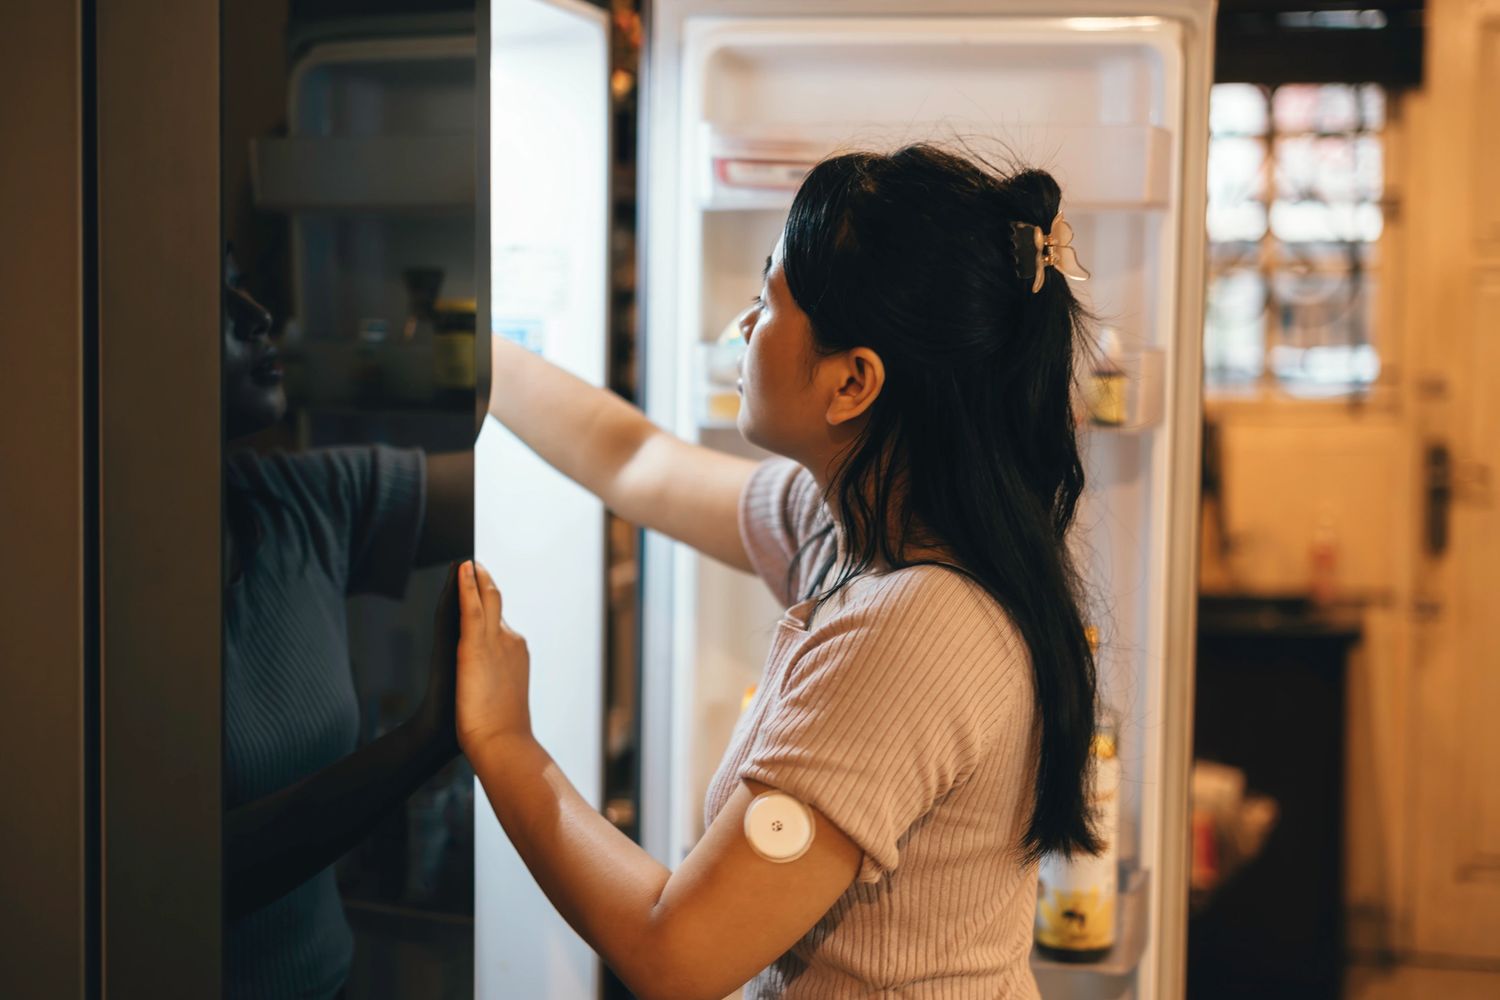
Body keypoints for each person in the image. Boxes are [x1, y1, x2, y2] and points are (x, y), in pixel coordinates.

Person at [455, 145, 1102, 998]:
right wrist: (471, 351)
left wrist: (505, 743)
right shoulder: (861, 534)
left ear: (853, 382)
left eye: (767, 303)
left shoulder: (912, 629)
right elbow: (633, 460)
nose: (743, 329)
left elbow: (675, 952)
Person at [220, 251, 474, 999]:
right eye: (212, 294)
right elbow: (178, 878)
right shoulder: (85, 598)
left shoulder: (290, 500)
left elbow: (531, 479)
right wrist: (424, 741)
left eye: (241, 274)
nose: (254, 311)